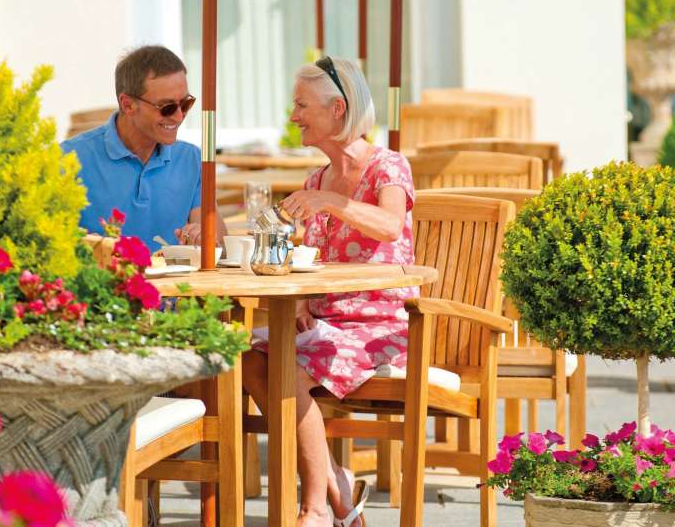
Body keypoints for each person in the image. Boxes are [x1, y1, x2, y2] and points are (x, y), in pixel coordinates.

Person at [242, 56, 416, 527]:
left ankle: (314, 507)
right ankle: (339, 484)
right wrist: (299, 300)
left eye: (302, 105)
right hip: (326, 323)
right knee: (248, 357)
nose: (293, 115)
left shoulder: (387, 166)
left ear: (337, 108)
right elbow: (312, 258)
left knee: (288, 370)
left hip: (380, 329)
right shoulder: (316, 178)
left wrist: (333, 203)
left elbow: (389, 224)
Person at [61, 45, 226, 251]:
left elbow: (218, 242)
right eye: (167, 107)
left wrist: (204, 236)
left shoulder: (190, 158)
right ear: (128, 104)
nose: (178, 116)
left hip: (179, 283)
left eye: (185, 104)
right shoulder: (68, 160)